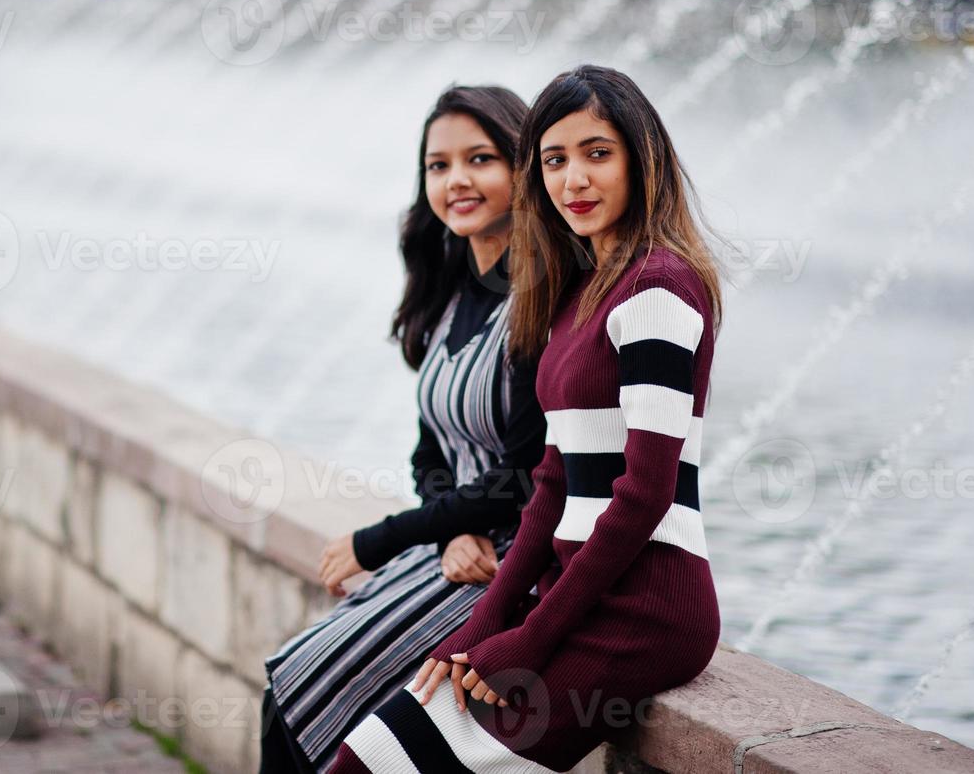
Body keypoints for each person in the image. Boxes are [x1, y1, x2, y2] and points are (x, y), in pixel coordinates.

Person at [328, 65, 725, 773]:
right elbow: (550, 484)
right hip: (576, 597)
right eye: (553, 160)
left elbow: (644, 496)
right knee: (363, 759)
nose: (574, 179)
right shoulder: (577, 297)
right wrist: (482, 626)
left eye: (596, 153)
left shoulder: (661, 288)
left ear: (642, 158)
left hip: (643, 616)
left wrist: (529, 637)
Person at [260, 86, 549, 773]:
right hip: (459, 546)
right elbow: (429, 453)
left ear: (522, 169)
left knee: (307, 701)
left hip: (513, 566)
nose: (455, 181)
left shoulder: (541, 304)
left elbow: (526, 473)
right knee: (292, 685)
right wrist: (449, 528)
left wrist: (375, 540)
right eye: (437, 166)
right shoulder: (452, 292)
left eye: (479, 159)